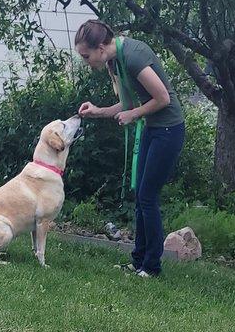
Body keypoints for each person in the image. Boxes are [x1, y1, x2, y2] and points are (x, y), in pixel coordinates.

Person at [75, 19, 185, 278]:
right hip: (153, 128)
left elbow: (163, 98)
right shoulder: (116, 61)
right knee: (141, 196)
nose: (86, 61)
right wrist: (97, 111)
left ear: (101, 47)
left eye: (86, 55)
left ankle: (151, 267)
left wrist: (135, 114)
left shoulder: (134, 56)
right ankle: (138, 262)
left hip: (168, 130)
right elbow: (127, 104)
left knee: (148, 197)